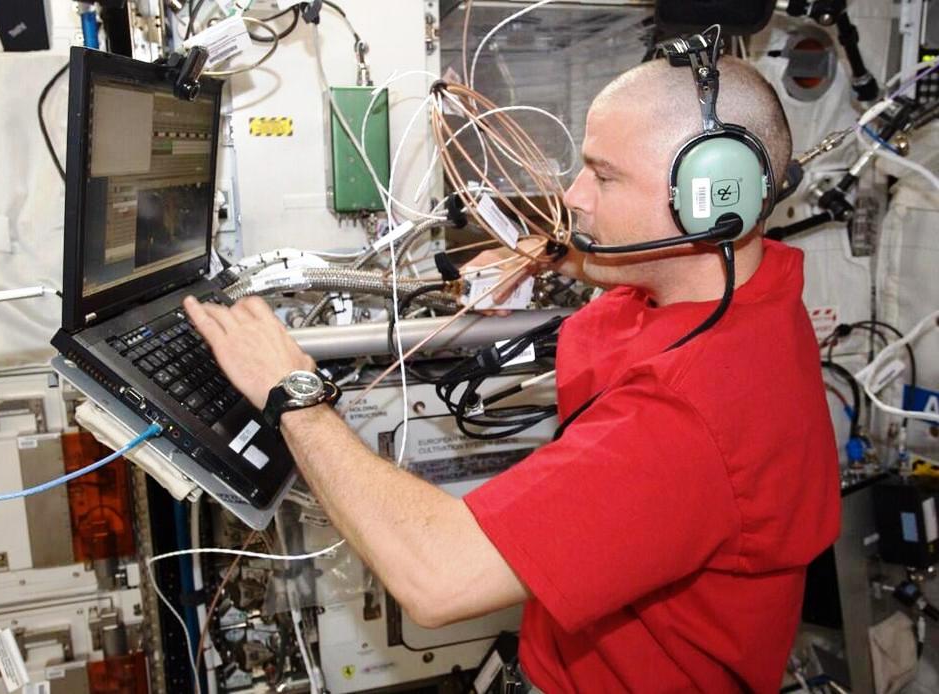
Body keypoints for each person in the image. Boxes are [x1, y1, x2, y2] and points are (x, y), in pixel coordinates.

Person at [183, 54, 841, 693]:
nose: (574, 196)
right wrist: (544, 253)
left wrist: (293, 392)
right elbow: (636, 266)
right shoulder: (742, 295)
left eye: (604, 177)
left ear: (710, 197)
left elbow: (437, 576)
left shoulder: (693, 415)